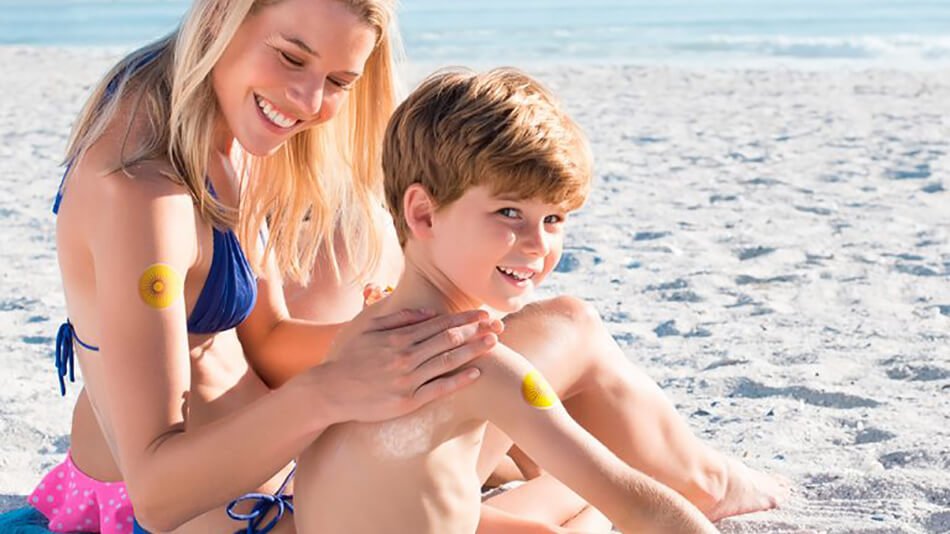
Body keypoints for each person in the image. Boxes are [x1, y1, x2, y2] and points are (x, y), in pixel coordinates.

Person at [22, 0, 502, 532]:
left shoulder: (215, 124)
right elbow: (156, 497)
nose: (309, 101)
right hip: (211, 506)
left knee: (551, 338)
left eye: (339, 81)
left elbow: (268, 339)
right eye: (292, 58)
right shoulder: (143, 197)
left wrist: (393, 334)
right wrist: (332, 389)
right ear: (221, 16)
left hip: (265, 467)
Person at [292, 66, 720, 534]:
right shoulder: (486, 368)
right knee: (611, 492)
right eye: (510, 212)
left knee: (576, 495)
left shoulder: (365, 332)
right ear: (423, 214)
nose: (538, 244)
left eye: (554, 218)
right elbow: (641, 509)